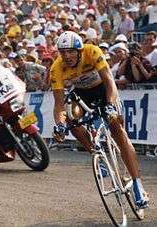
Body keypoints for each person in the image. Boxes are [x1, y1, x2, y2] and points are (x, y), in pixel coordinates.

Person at [50, 31, 148, 209]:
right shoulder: (56, 67)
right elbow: (58, 105)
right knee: (71, 119)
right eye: (63, 52)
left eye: (71, 51)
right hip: (82, 94)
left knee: (117, 129)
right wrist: (59, 125)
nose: (66, 56)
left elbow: (110, 82)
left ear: (79, 50)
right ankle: (96, 153)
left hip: (104, 90)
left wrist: (110, 106)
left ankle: (137, 184)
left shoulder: (93, 51)